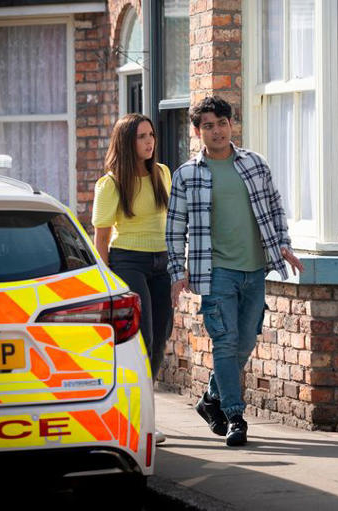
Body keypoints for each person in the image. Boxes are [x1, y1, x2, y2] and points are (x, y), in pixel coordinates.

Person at [166, 96, 303, 447]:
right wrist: (177, 272)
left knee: (245, 342)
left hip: (255, 269)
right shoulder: (187, 175)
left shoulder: (255, 164)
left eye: (222, 124)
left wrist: (283, 244)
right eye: (209, 126)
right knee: (225, 343)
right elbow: (175, 228)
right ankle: (234, 416)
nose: (217, 131)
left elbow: (275, 208)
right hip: (216, 272)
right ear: (198, 131)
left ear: (231, 125)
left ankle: (210, 397)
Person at [92, 113, 172, 444]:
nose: (149, 141)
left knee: (161, 336)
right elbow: (101, 237)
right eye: (141, 136)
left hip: (162, 263)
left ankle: (143, 409)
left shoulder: (162, 173)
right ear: (127, 142)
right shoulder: (110, 184)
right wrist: (105, 283)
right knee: (144, 338)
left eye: (151, 135)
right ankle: (142, 418)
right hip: (128, 262)